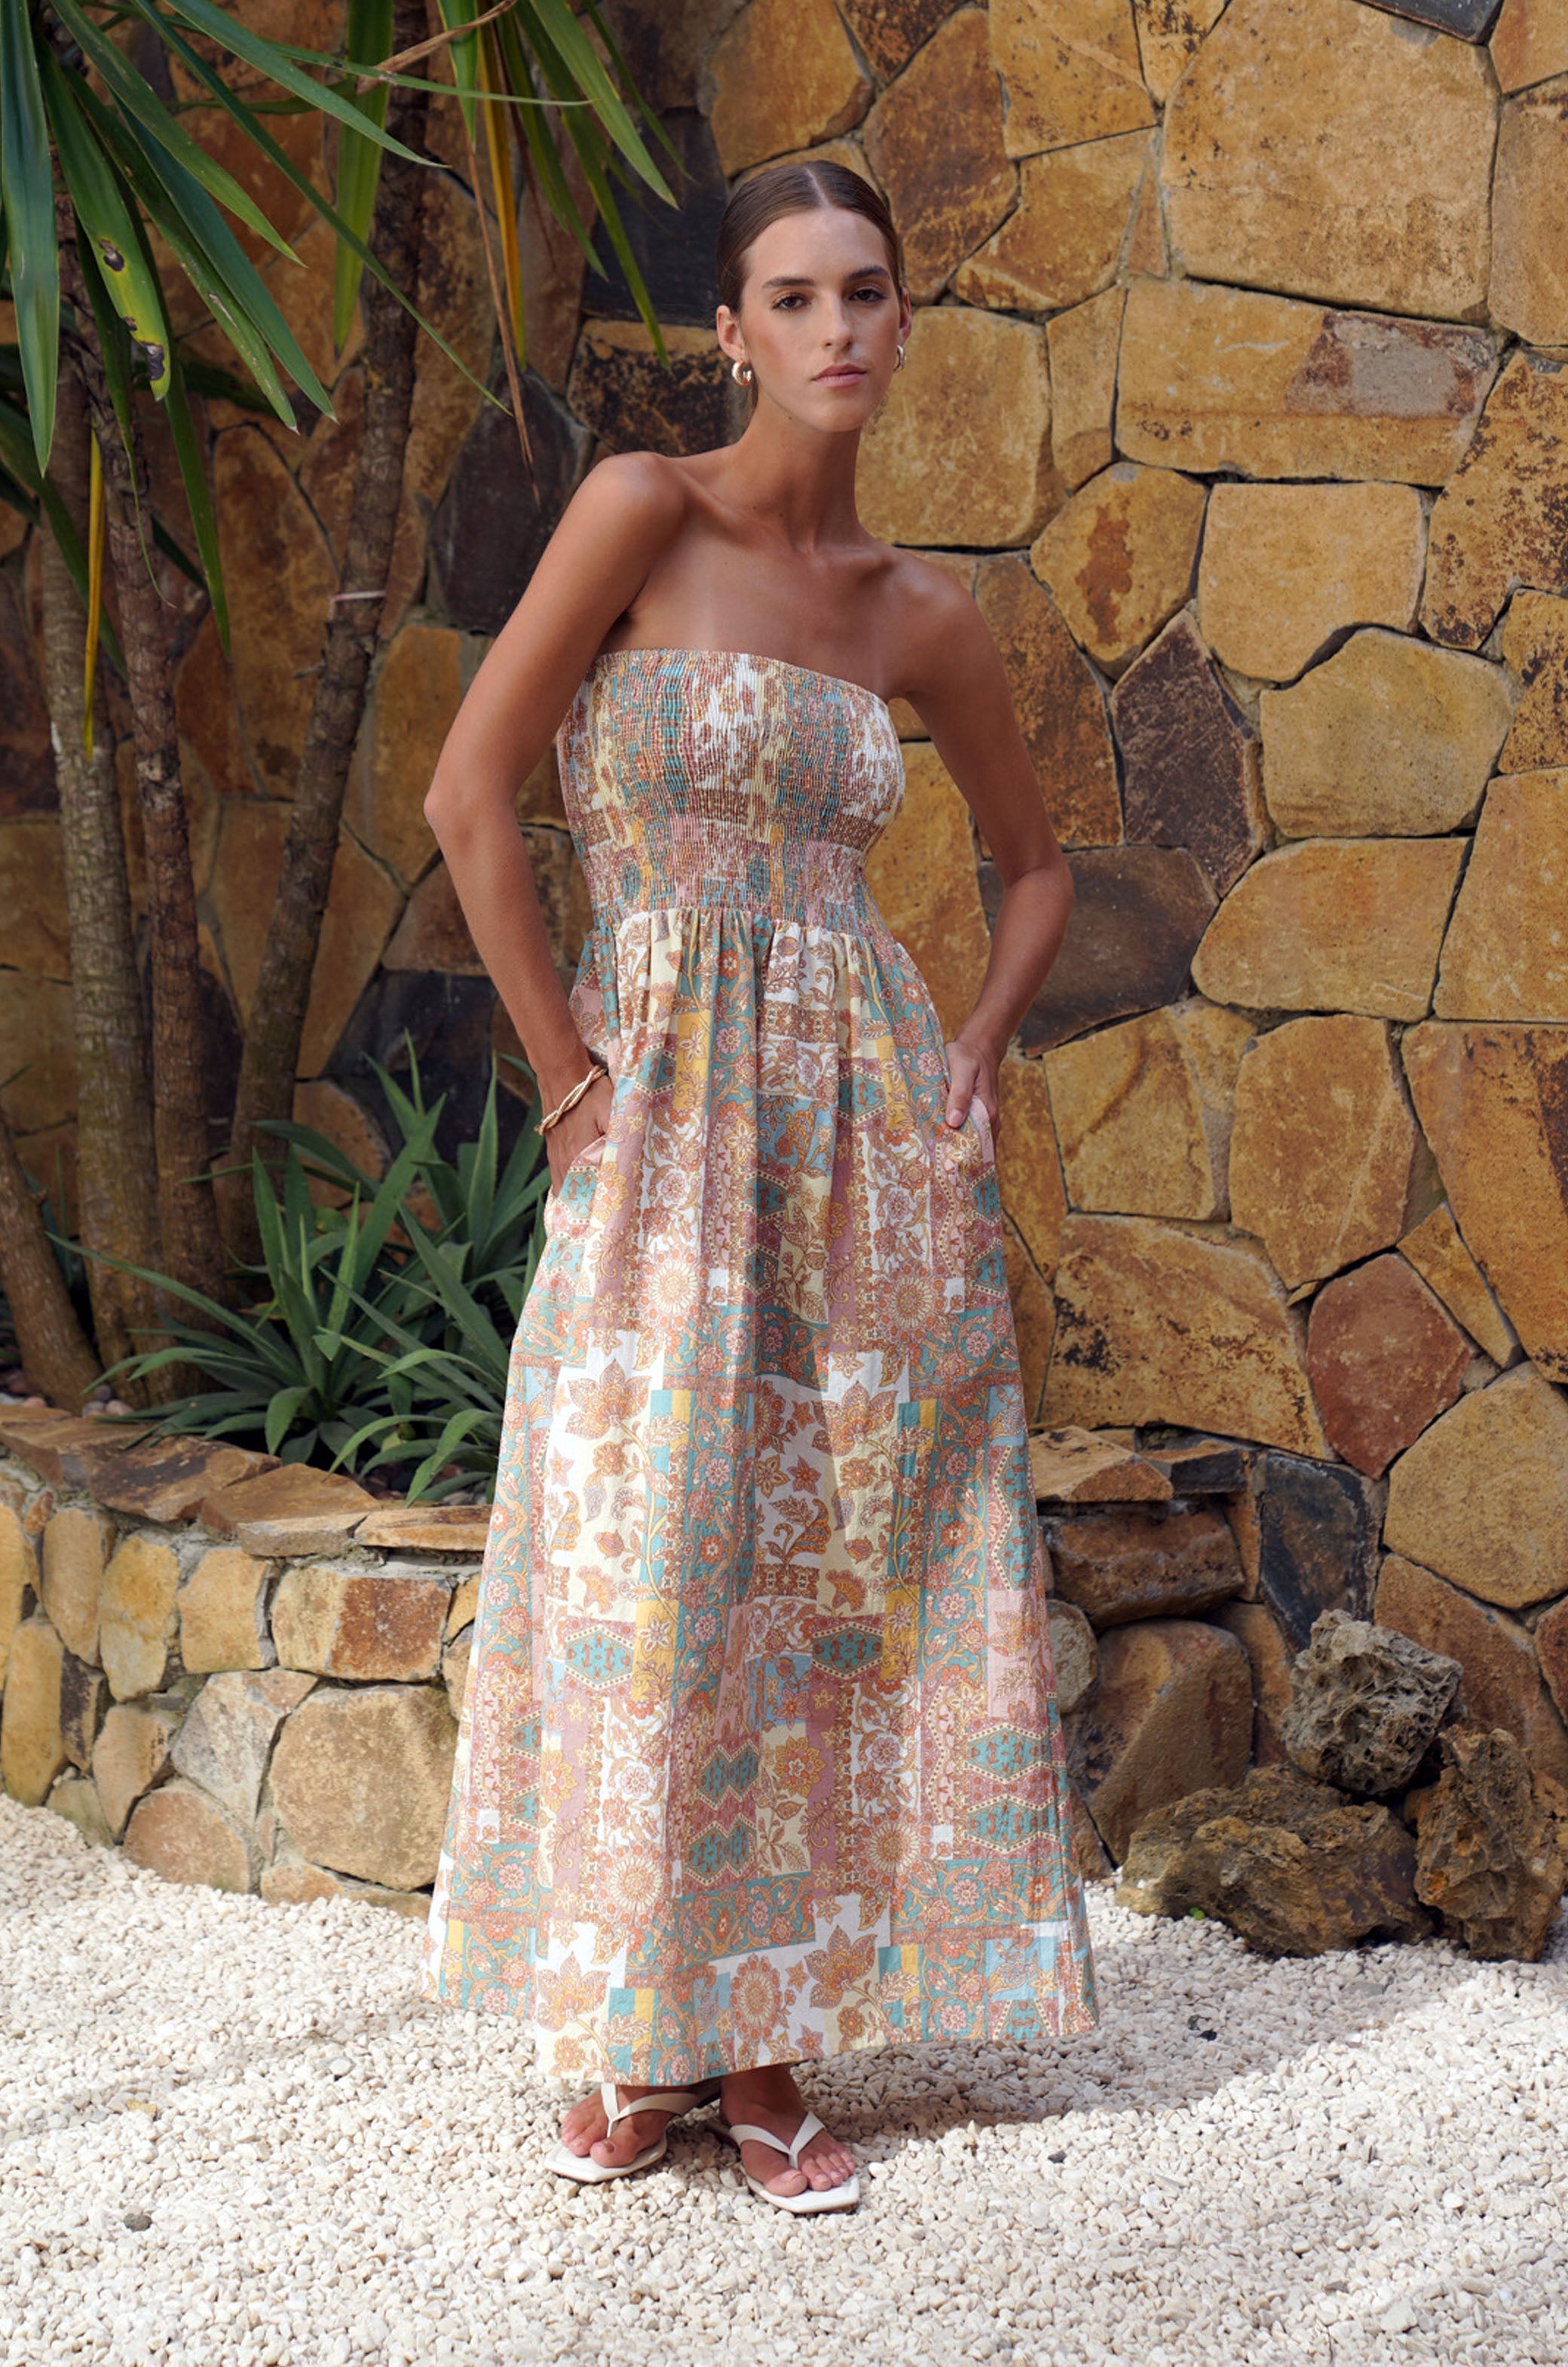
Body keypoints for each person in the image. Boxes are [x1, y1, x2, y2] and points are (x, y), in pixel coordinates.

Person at [419, 158, 1098, 2215]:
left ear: (902, 319)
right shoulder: (644, 510)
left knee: (830, 1579)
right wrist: (566, 1083)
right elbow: (467, 795)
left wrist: (971, 1056)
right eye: (792, 297)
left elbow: (1037, 869)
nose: (835, 329)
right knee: (648, 1553)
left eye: (865, 292)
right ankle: (639, 2024)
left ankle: (769, 2045)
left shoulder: (920, 613)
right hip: (660, 1124)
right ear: (731, 332)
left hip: (864, 1145)